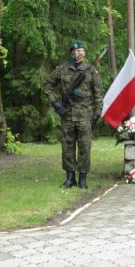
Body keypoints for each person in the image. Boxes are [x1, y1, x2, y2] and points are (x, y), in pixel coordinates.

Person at [42, 40, 103, 189]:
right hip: (67, 115)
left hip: (85, 116)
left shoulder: (91, 71)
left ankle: (82, 179)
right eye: (76, 51)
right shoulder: (62, 69)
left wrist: (97, 114)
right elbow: (47, 85)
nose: (79, 53)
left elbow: (98, 95)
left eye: (81, 50)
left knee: (84, 148)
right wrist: (55, 104)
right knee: (67, 147)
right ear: (71, 53)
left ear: (85, 53)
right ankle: (70, 178)